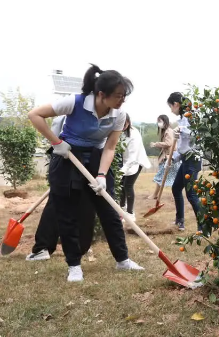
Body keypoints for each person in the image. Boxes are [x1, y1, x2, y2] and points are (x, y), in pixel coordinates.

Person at [27, 64, 144, 282]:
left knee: (109, 211)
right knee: (67, 213)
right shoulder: (75, 102)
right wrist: (57, 143)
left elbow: (110, 146)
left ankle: (123, 260)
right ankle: (74, 266)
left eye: (124, 96)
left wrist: (101, 175)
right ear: (102, 94)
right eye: (118, 95)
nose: (122, 100)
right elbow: (34, 115)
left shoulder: (119, 114)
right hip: (67, 157)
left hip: (97, 158)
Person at [25, 115, 96, 261]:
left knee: (72, 204)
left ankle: (78, 247)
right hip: (68, 159)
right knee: (61, 204)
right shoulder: (68, 114)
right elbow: (54, 138)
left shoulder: (91, 113)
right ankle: (47, 248)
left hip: (85, 163)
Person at [167, 92, 202, 232]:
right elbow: (182, 146)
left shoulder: (192, 116)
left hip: (193, 160)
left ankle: (203, 226)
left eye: (171, 106)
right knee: (176, 188)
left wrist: (181, 130)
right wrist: (174, 158)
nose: (171, 110)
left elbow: (196, 134)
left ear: (176, 104)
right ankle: (180, 221)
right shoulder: (182, 119)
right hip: (185, 160)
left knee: (191, 194)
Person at [119, 113, 152, 222]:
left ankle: (130, 213)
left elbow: (132, 157)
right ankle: (122, 209)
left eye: (125, 123)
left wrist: (122, 171)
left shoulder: (134, 134)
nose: (123, 126)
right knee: (121, 186)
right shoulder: (119, 131)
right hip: (124, 161)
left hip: (136, 161)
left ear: (128, 122)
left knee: (127, 185)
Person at [148, 115, 179, 199]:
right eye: (158, 121)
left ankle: (155, 194)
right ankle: (156, 194)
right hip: (169, 157)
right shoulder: (166, 131)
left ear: (165, 121)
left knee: (160, 176)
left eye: (160, 121)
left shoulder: (168, 131)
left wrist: (156, 144)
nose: (159, 123)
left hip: (169, 158)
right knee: (164, 176)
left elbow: (169, 143)